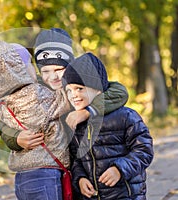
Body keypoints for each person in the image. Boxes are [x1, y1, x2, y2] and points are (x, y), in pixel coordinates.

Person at [0, 28, 129, 153]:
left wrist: (87, 112)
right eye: (45, 71)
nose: (53, 77)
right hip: (48, 159)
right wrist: (16, 138)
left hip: (80, 159)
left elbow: (118, 92)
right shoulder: (33, 88)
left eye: (59, 69)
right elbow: (6, 119)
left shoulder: (79, 83)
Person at [0, 40, 72, 200]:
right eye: (31, 65)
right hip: (45, 173)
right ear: (19, 69)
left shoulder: (4, 103)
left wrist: (16, 139)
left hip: (22, 177)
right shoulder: (36, 95)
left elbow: (5, 131)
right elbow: (66, 101)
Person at [63, 52, 154, 199]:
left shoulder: (126, 116)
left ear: (98, 88)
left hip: (125, 194)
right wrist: (80, 179)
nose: (73, 95)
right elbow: (75, 159)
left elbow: (144, 150)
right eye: (69, 90)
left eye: (80, 88)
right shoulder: (76, 122)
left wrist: (119, 169)